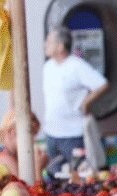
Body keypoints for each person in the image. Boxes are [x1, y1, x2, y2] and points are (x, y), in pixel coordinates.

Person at [42, 27, 109, 173]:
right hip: (52, 134)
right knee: (55, 176)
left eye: (49, 41)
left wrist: (86, 102)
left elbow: (102, 84)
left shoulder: (76, 65)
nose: (45, 44)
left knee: (78, 177)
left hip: (73, 135)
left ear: (60, 46)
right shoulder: (48, 67)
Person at [0, 109, 47, 178]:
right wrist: (38, 167)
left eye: (35, 135)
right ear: (11, 132)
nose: (33, 140)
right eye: (30, 134)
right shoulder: (6, 161)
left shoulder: (7, 154)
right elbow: (27, 189)